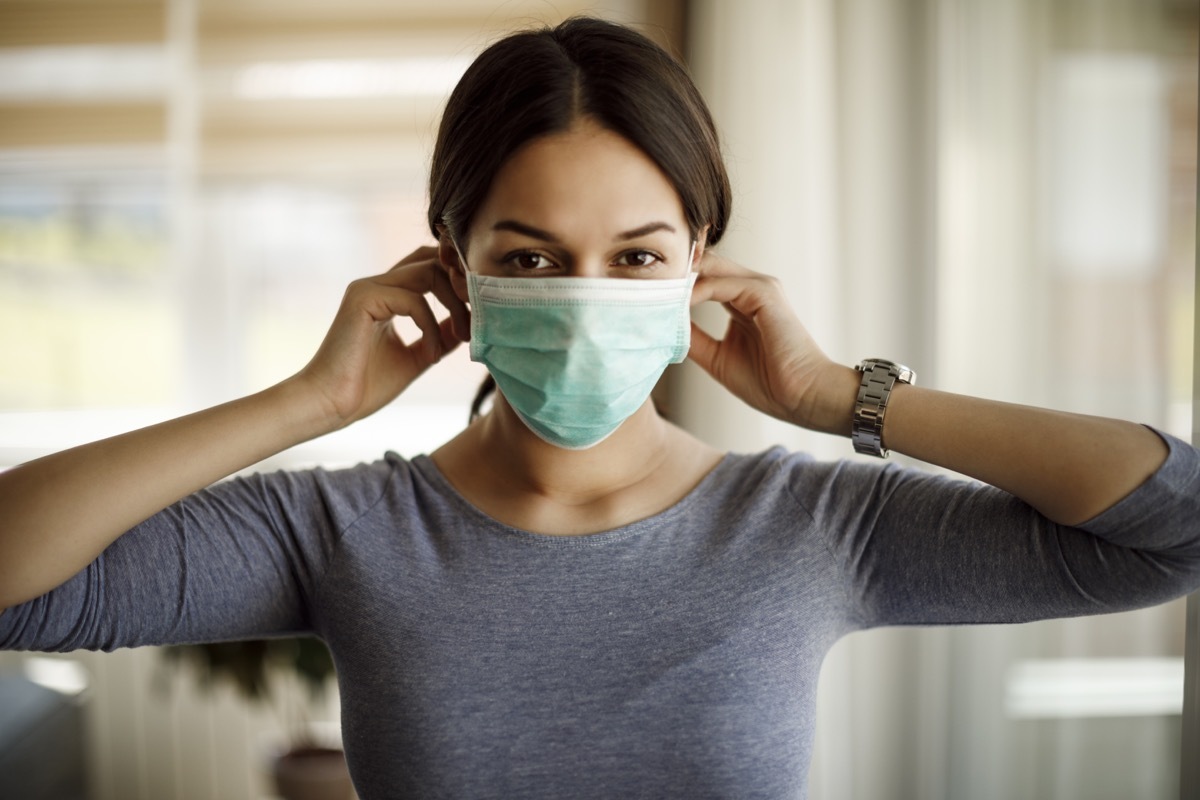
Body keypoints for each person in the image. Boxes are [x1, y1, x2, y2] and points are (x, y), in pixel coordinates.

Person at [2, 16, 1198, 800]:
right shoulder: (343, 530)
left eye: (633, 257)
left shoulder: (812, 525)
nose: (581, 297)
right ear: (451, 263)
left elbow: (1174, 526)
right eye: (529, 259)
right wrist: (309, 401)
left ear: (700, 262)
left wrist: (843, 395)